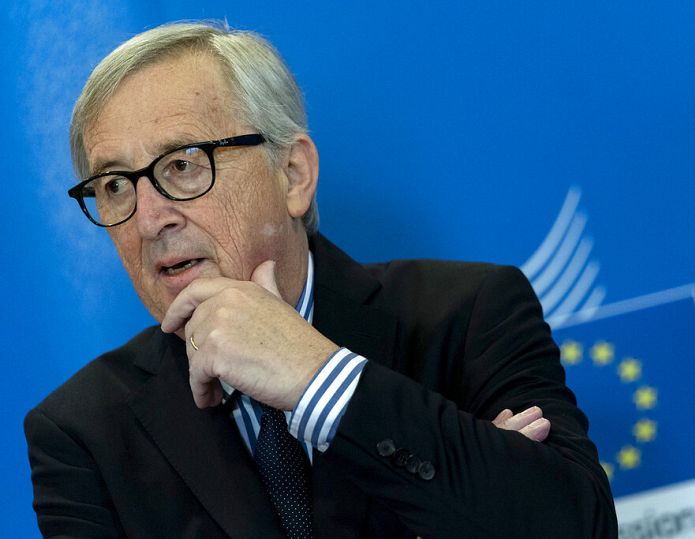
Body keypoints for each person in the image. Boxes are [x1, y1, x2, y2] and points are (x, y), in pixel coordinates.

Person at [25, 21, 617, 538]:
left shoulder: (466, 317)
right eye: (115, 187)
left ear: (293, 175)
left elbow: (573, 525)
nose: (150, 220)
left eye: (182, 166)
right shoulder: (85, 433)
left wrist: (319, 380)